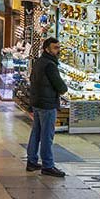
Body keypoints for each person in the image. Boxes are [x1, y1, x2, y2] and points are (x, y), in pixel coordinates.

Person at [26, 37, 67, 177]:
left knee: (36, 132)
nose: (58, 50)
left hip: (37, 102)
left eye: (58, 47)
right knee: (46, 135)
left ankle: (31, 161)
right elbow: (61, 86)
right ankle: (48, 165)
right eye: (55, 48)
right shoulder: (50, 65)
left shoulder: (39, 62)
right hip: (47, 103)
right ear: (47, 49)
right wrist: (63, 89)